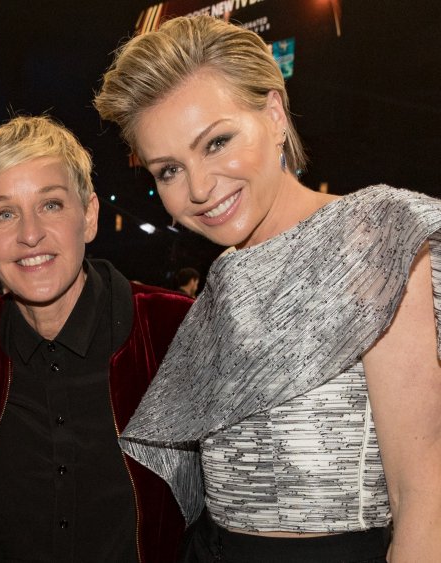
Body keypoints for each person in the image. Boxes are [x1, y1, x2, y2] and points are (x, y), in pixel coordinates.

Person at [95, 14, 441, 562]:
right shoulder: (223, 283)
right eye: (168, 171)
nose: (200, 189)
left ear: (275, 114)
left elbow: (425, 497)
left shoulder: (375, 233)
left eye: (216, 142)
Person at [0, 115, 194, 562]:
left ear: (90, 215)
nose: (29, 234)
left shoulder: (171, 327)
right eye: (4, 213)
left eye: (51, 205)